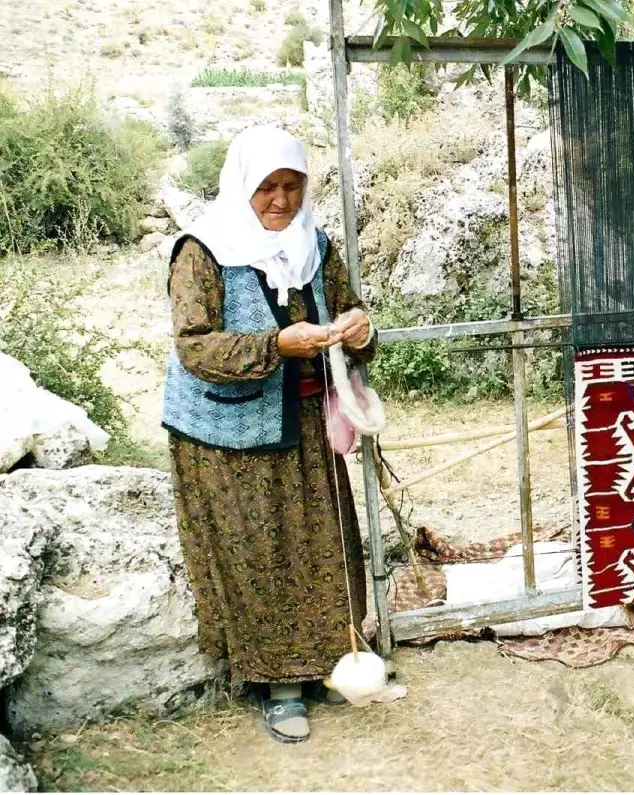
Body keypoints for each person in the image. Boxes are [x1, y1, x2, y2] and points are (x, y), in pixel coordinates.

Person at [161, 125, 376, 744]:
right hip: (227, 439)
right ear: (241, 186)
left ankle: (330, 664)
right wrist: (274, 345)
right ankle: (279, 687)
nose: (280, 201)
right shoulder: (202, 251)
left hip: (305, 426)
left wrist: (360, 331)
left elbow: (350, 314)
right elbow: (193, 346)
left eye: (292, 186)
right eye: (266, 188)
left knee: (323, 549)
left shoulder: (317, 248)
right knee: (261, 555)